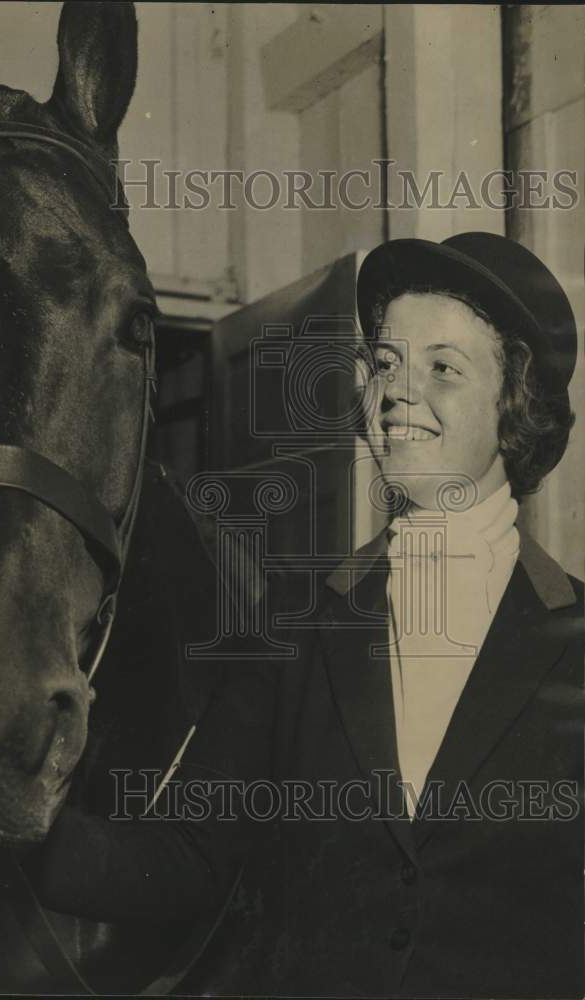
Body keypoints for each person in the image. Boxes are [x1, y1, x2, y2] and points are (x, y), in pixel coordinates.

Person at [30, 232, 583, 998]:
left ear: (514, 404)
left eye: (443, 369)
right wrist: (16, 811)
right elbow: (187, 860)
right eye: (384, 363)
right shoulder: (291, 624)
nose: (396, 392)